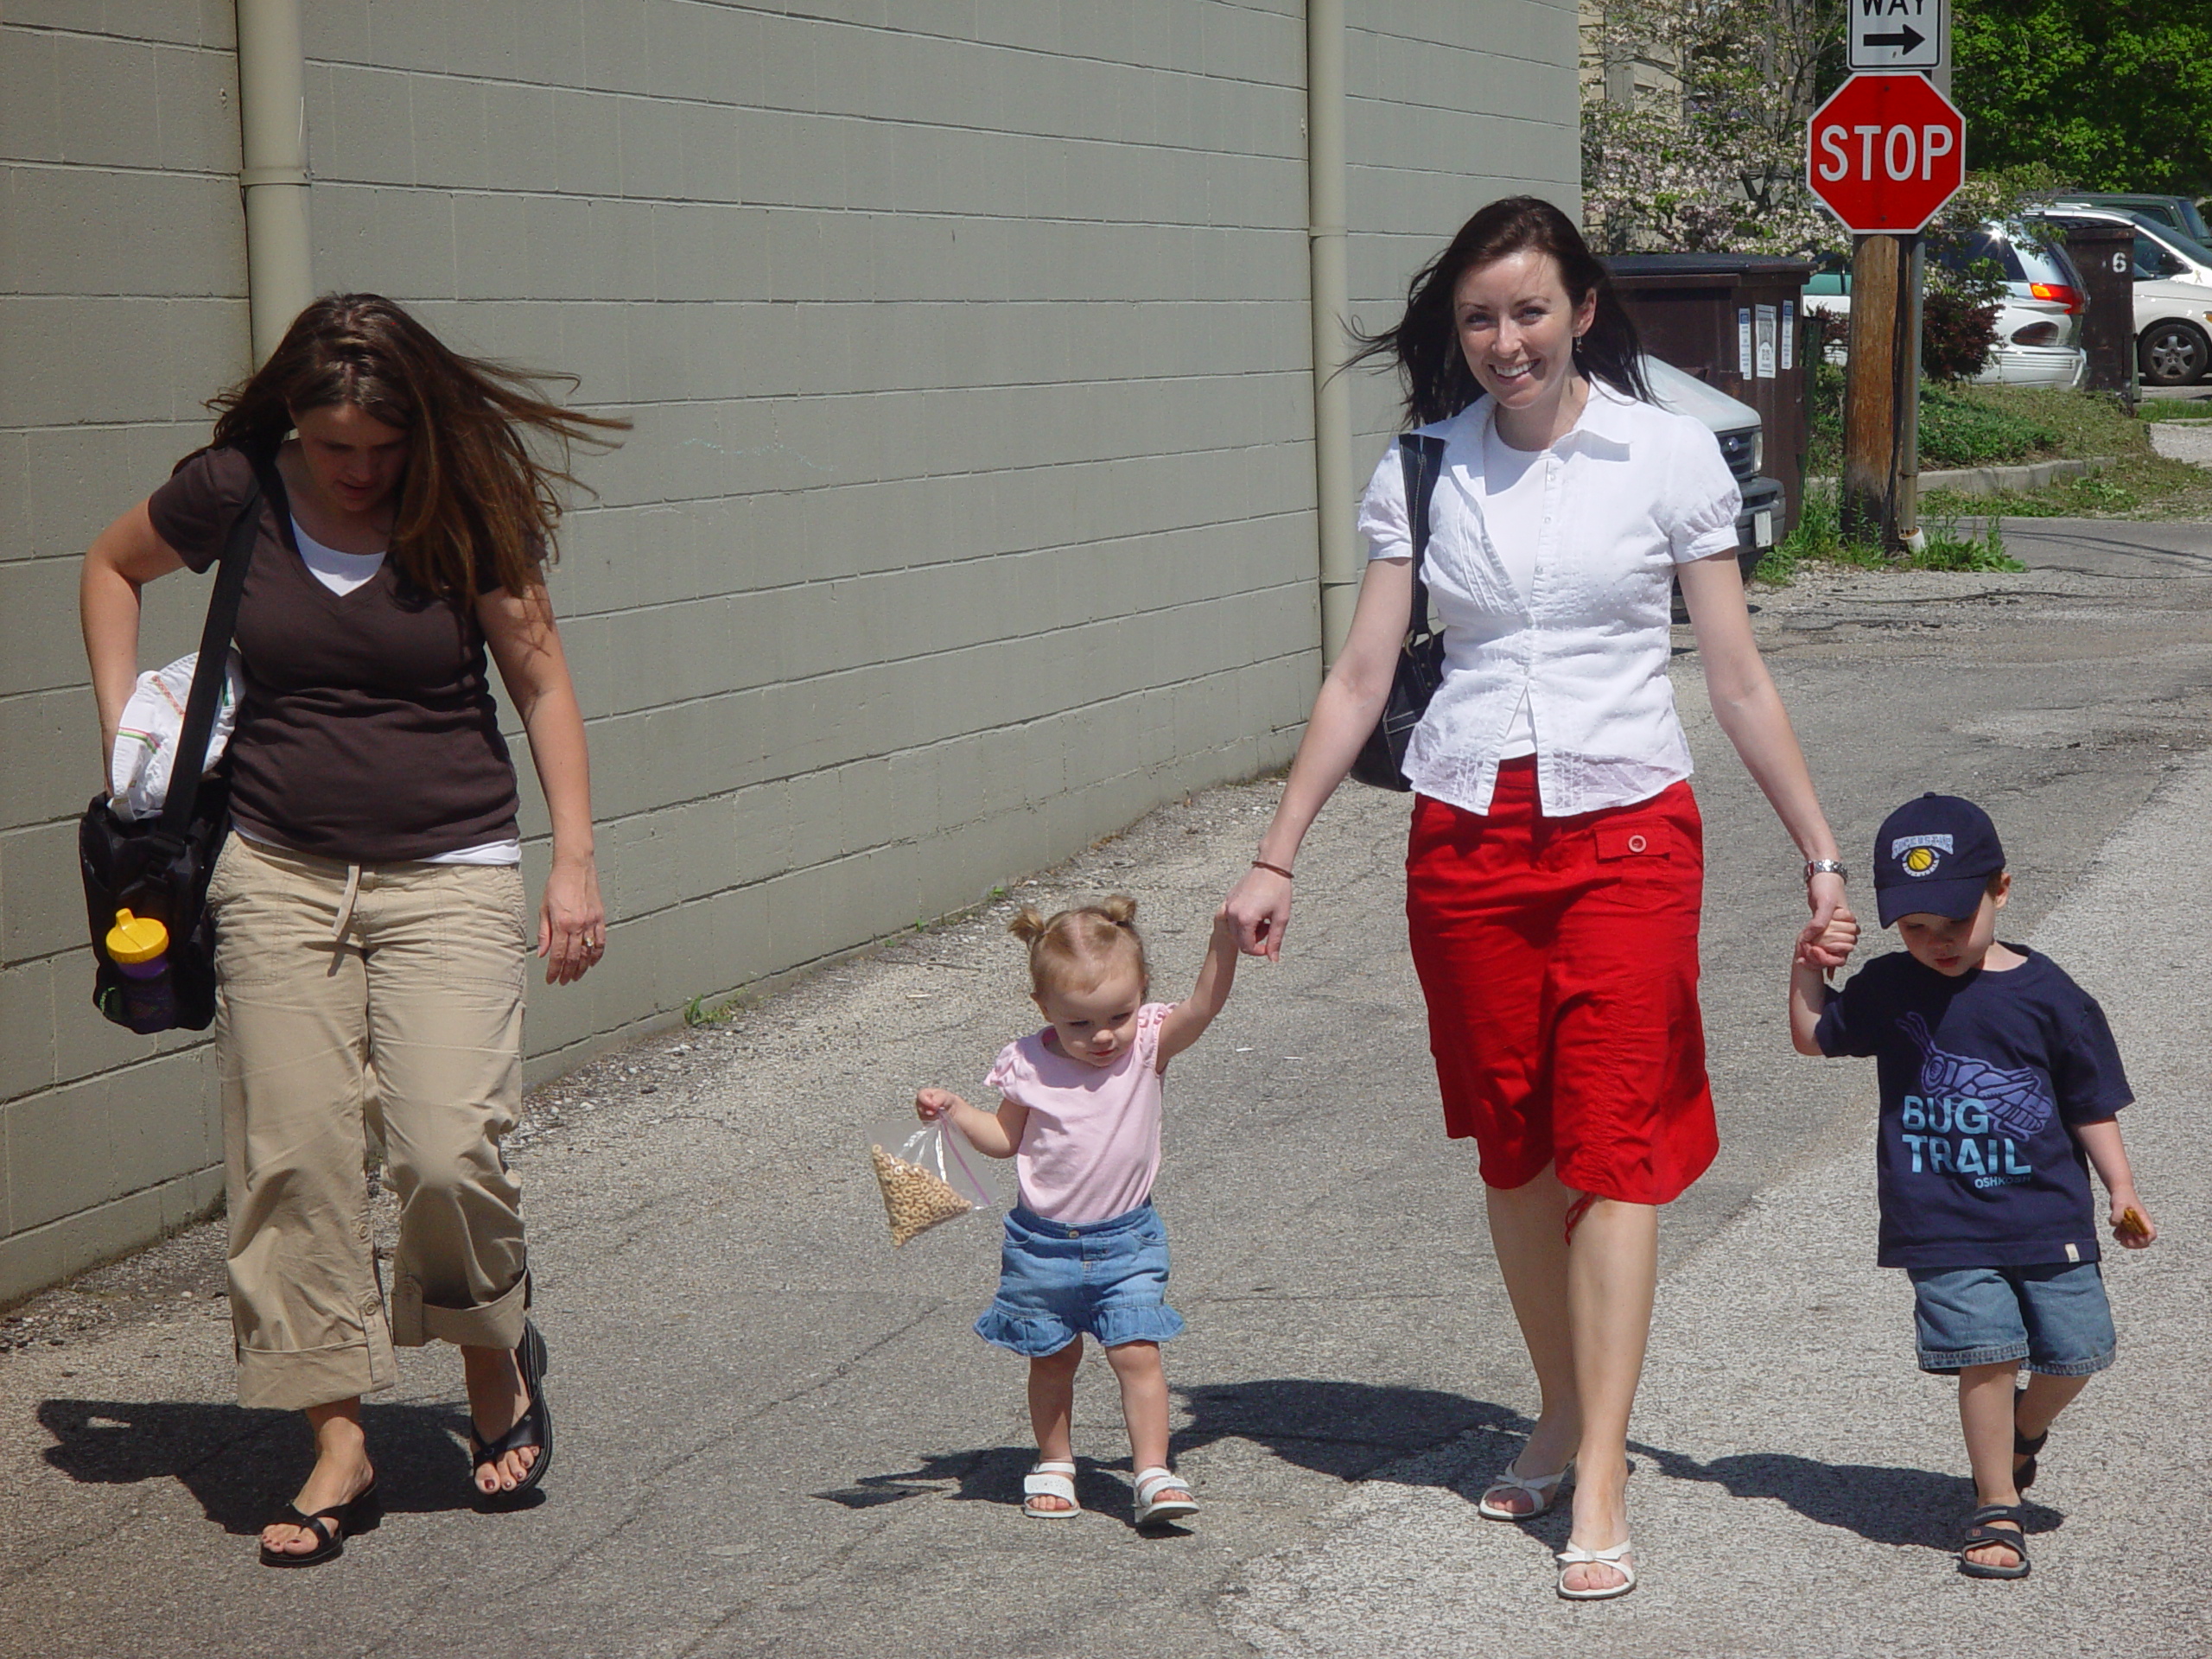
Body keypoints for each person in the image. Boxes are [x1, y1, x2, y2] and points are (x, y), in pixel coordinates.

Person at [1222, 196, 1856, 1599]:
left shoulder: (1666, 454)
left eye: (1528, 310)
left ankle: (1608, 1464)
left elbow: (1736, 674)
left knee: (1613, 1141)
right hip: (1464, 841)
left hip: (1629, 834)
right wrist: (1278, 851)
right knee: (1515, 1143)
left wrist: (1818, 848)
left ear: (1580, 309)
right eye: (1478, 318)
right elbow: (1359, 679)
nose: (1505, 341)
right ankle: (1560, 1403)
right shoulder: (1425, 471)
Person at [79, 295, 624, 1566]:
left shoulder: (460, 503)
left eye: (381, 447)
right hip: (272, 868)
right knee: (295, 1156)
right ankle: (338, 1435)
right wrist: (126, 743)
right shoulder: (233, 493)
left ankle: (493, 1354)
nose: (361, 470)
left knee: (446, 1148)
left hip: (451, 869)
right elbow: (110, 569)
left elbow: (540, 683)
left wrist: (574, 863)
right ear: (296, 427)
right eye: (337, 448)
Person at [1790, 792, 2154, 1580]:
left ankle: (2026, 1430)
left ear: (2002, 889)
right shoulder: (1892, 986)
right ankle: (1997, 1503)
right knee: (1984, 1355)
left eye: (1953, 923)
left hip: (2047, 1211)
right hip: (1940, 1216)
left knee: (2079, 1353)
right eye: (1916, 929)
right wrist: (1810, 965)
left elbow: (2091, 1101)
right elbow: (1814, 1038)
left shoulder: (2050, 993)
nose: (1936, 943)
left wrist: (2121, 1187)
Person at [914, 896, 1238, 1527]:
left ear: (1142, 994)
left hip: (1127, 1241)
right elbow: (1004, 1140)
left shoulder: (1147, 1045)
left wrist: (1222, 942)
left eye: (1118, 1014)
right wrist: (954, 1111)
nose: (1102, 1036)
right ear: (1045, 1011)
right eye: (1079, 1024)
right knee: (1053, 1356)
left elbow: (1203, 1005)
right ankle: (1056, 1463)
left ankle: (1152, 1471)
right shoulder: (1029, 1064)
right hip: (1042, 1246)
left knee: (1137, 1351)